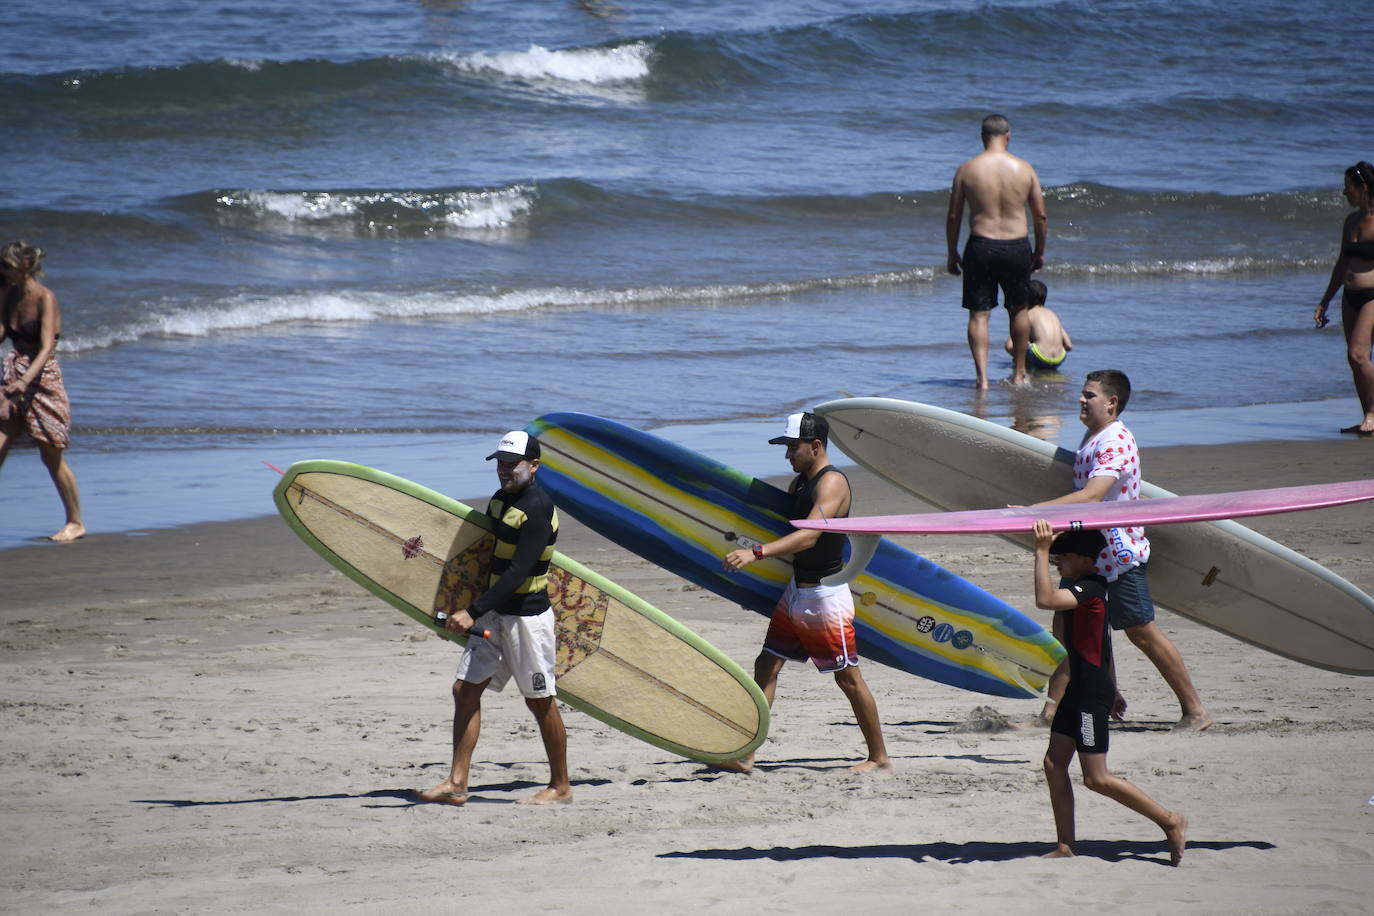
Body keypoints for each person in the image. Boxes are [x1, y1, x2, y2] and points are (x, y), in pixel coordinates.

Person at [1035, 369, 1211, 731]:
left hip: (1119, 555)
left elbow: (1093, 495)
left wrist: (1036, 512)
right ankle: (1052, 714)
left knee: (1141, 631)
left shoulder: (1115, 440)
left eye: (1090, 395)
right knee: (1074, 629)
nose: (1081, 400)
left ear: (1112, 403)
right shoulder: (1093, 436)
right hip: (1090, 555)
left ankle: (1195, 711)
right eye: (1082, 395)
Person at [722, 412, 890, 773]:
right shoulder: (800, 483)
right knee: (766, 664)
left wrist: (756, 553)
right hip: (797, 590)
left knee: (847, 678)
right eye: (786, 449)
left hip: (825, 596)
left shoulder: (833, 484)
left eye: (793, 449)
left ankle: (879, 757)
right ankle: (747, 754)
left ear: (816, 445)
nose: (788, 457)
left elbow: (811, 535)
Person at [415, 430, 572, 806]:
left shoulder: (538, 509)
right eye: (499, 464)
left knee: (540, 700)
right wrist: (455, 609)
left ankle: (561, 785)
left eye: (511, 464)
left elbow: (518, 572)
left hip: (527, 621)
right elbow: (484, 561)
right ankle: (457, 782)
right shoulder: (500, 502)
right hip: (495, 614)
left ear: (534, 466)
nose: (503, 471)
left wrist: (471, 612)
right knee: (464, 690)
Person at [1032, 519, 1188, 865]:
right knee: (1054, 763)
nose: (1058, 560)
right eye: (1056, 557)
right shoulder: (1084, 589)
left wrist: (1041, 550)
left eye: (1064, 556)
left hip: (1090, 694)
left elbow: (1044, 599)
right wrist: (1113, 686)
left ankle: (1170, 820)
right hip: (1085, 687)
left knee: (1096, 778)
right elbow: (1101, 643)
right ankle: (1066, 845)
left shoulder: (1088, 588)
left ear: (1087, 560)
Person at [947, 113, 1049, 390]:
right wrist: (1039, 250)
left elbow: (954, 216)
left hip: (981, 245)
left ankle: (982, 380)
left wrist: (952, 252)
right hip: (1017, 246)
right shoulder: (1024, 169)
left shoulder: (967, 170)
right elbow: (1040, 216)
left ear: (982, 137)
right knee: (1018, 310)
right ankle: (1019, 374)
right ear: (1008, 136)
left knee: (979, 314)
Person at [1, 240, 85, 542]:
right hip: (13, 377)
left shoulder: (45, 298)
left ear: (24, 266)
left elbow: (48, 346)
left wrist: (25, 382)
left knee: (51, 455)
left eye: (7, 267)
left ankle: (75, 522)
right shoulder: (7, 294)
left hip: (42, 380)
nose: (3, 272)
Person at [1314, 161, 1374, 436]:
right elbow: (1341, 264)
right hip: (1350, 296)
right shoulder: (1350, 221)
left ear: (1363, 188)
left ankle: (1373, 415)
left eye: (1348, 187)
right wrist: (1325, 300)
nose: (1344, 193)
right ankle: (1368, 417)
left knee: (1358, 354)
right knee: (1355, 360)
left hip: (1373, 296)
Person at [1004, 279, 1071, 371]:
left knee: (1021, 344)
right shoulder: (1052, 314)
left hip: (1039, 357)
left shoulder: (1027, 314)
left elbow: (1008, 346)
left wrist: (1020, 357)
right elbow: (1068, 345)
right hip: (1059, 359)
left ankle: (1024, 367)